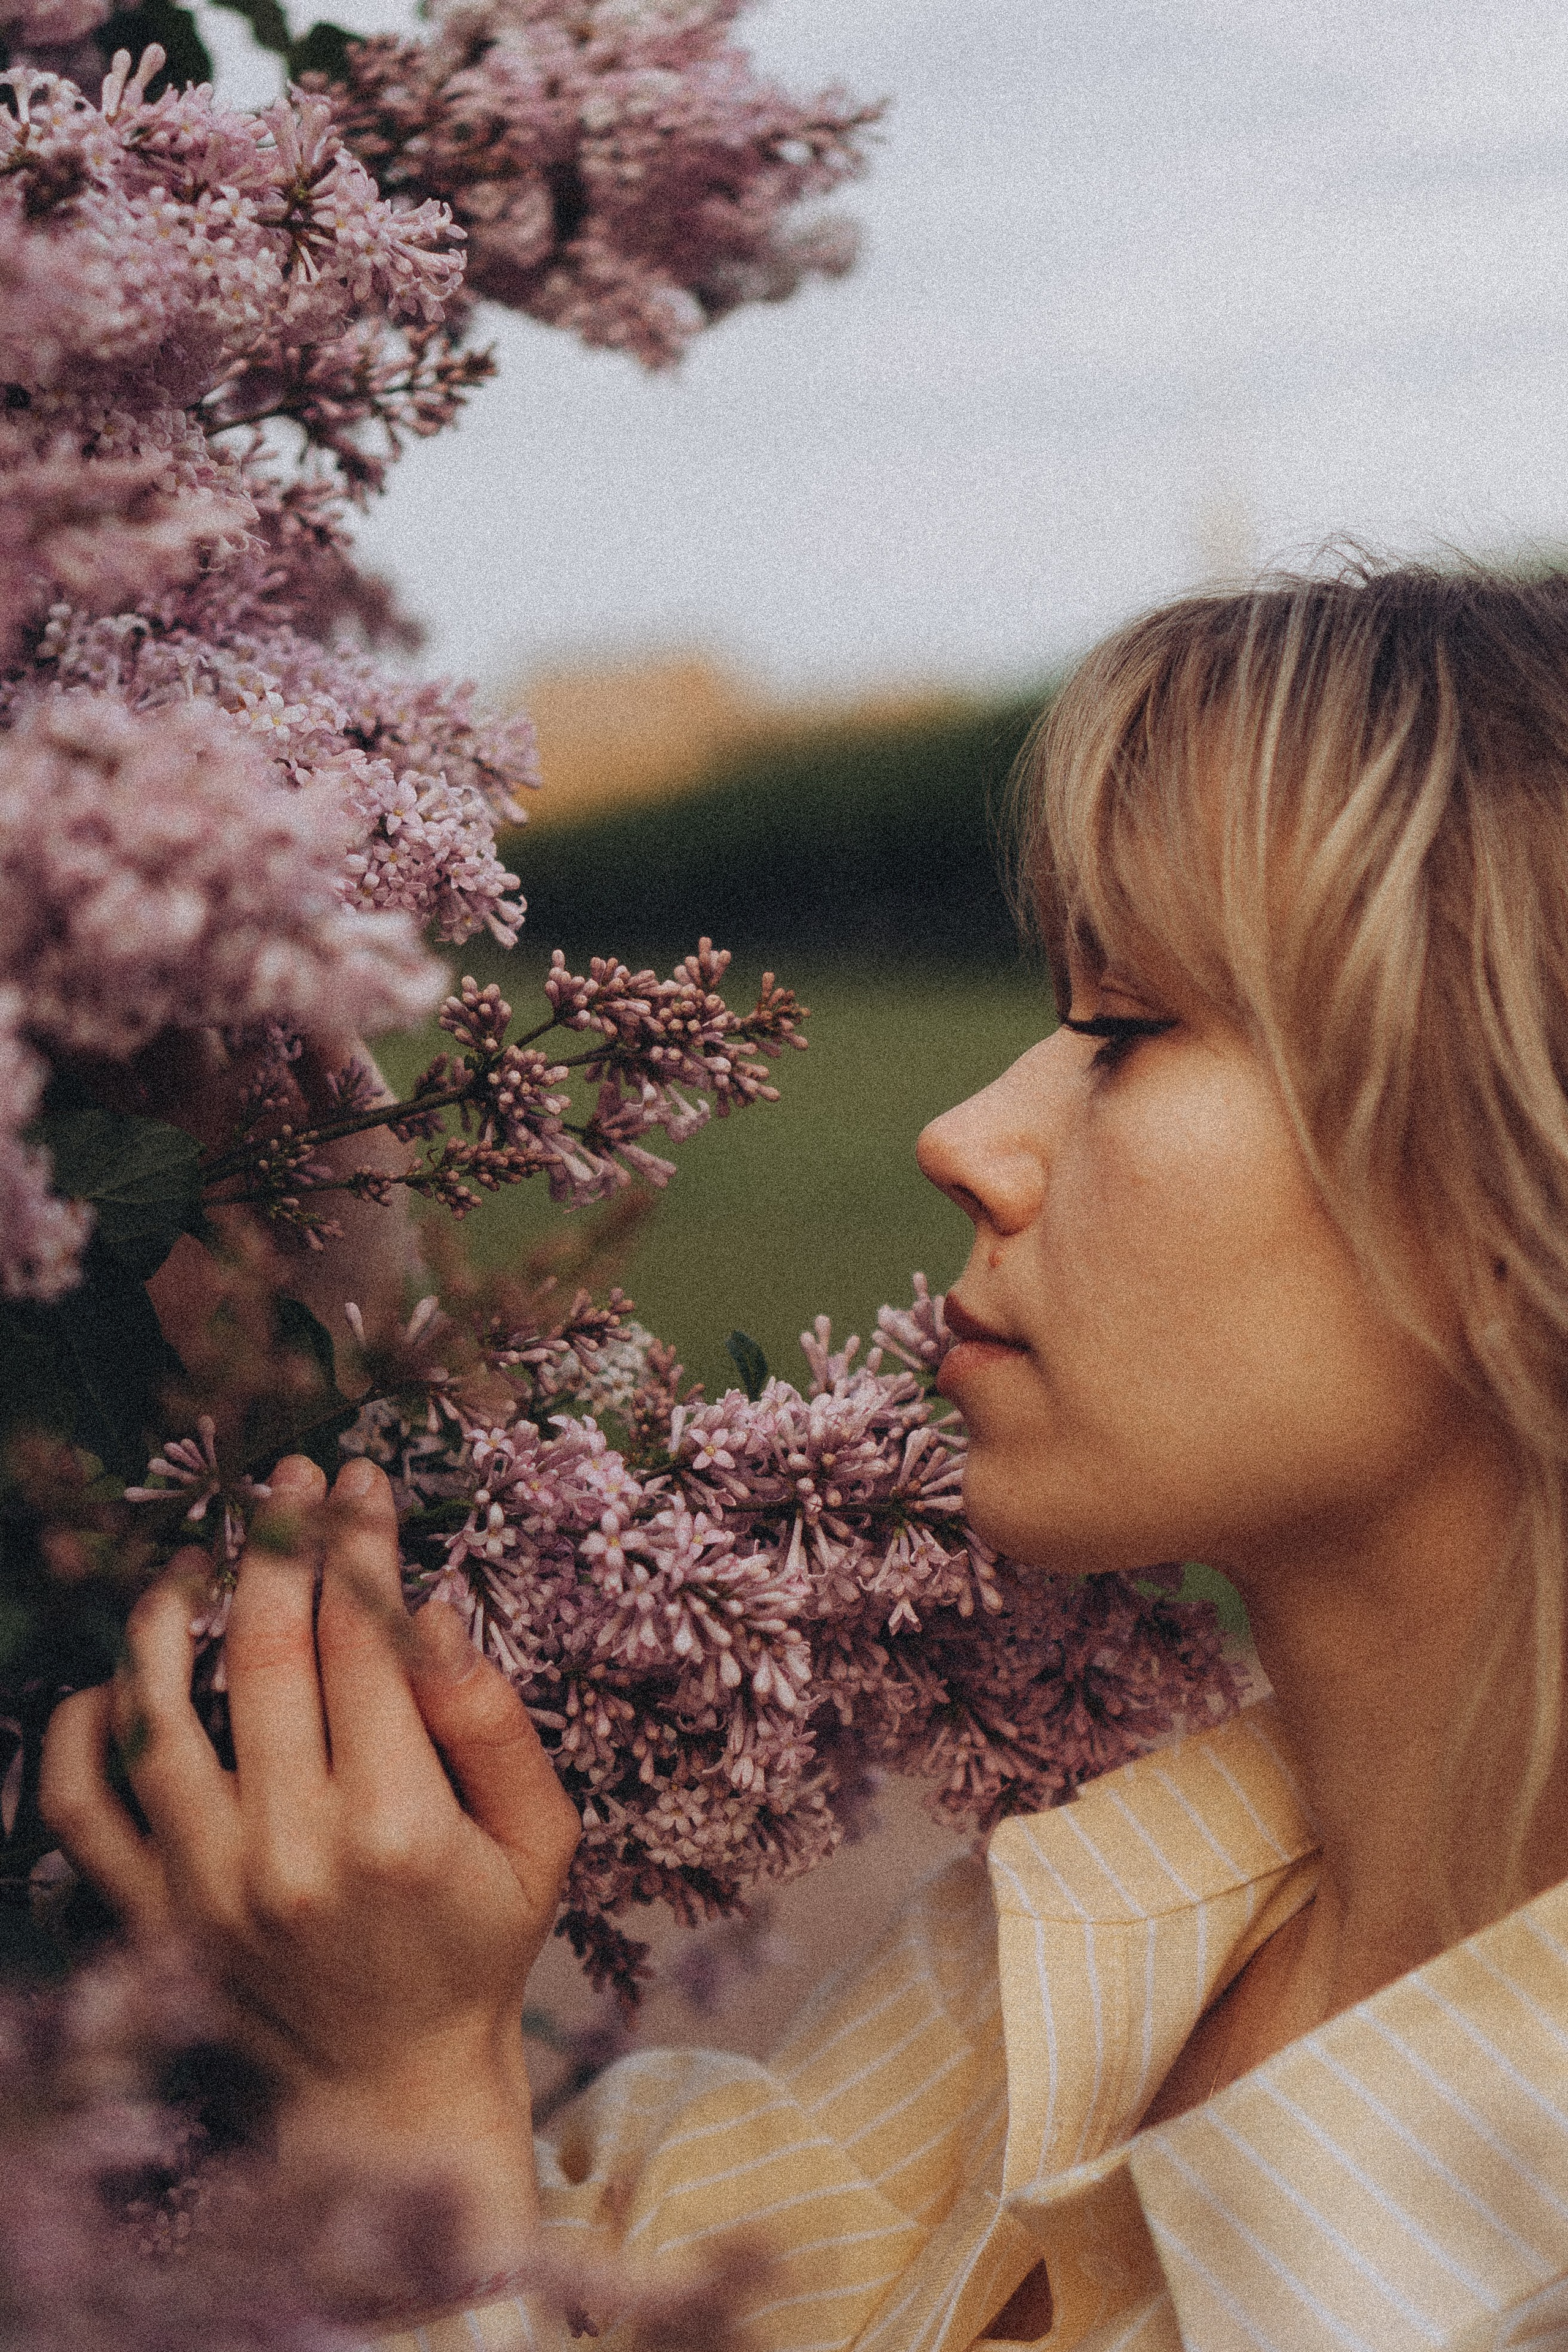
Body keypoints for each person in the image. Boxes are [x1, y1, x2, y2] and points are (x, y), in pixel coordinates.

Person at [37, 560, 1568, 2351]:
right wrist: (314, 1264)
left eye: (1127, 1030)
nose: (965, 1135)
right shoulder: (1097, 1942)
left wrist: (400, 2115)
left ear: (1512, 1185)